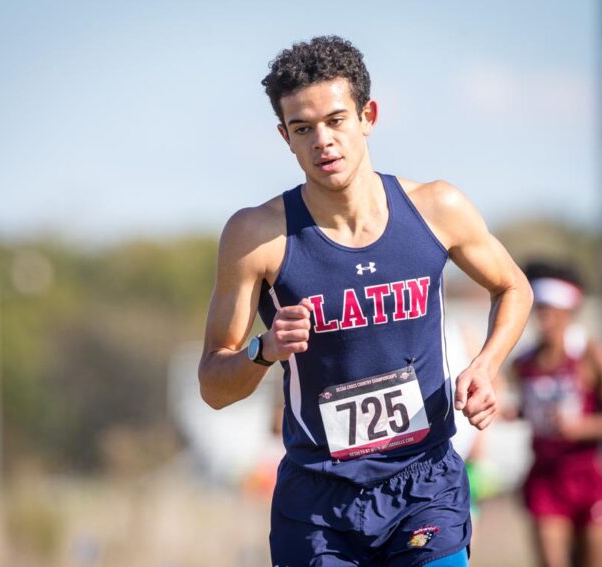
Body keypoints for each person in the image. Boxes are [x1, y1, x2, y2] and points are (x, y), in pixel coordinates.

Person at [198, 36, 533, 566]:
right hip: (317, 500)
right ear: (284, 137)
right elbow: (213, 386)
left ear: (368, 116)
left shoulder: (436, 208)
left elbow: (514, 286)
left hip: (424, 485)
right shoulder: (257, 236)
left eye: (336, 121)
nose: (323, 142)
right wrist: (263, 350)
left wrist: (487, 366)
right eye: (303, 129)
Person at [512, 261, 602, 567]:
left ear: (569, 311)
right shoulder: (524, 363)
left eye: (551, 309)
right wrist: (511, 412)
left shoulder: (593, 357)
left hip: (587, 475)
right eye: (540, 309)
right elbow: (531, 411)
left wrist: (581, 428)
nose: (543, 317)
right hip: (546, 478)